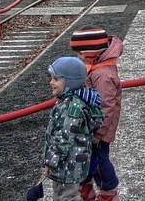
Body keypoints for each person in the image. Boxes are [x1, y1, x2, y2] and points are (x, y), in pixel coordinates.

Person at [70, 27, 123, 201]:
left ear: (91, 53)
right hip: (91, 127)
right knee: (86, 157)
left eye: (80, 54)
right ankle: (86, 187)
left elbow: (106, 107)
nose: (79, 58)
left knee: (100, 161)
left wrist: (99, 133)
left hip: (98, 131)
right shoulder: (95, 68)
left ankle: (108, 192)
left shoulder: (102, 75)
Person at [43, 57, 104, 201]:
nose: (51, 82)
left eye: (56, 79)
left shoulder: (70, 107)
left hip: (67, 164)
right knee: (59, 192)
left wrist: (51, 162)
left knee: (68, 196)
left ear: (69, 82)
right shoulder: (70, 102)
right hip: (68, 163)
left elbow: (64, 138)